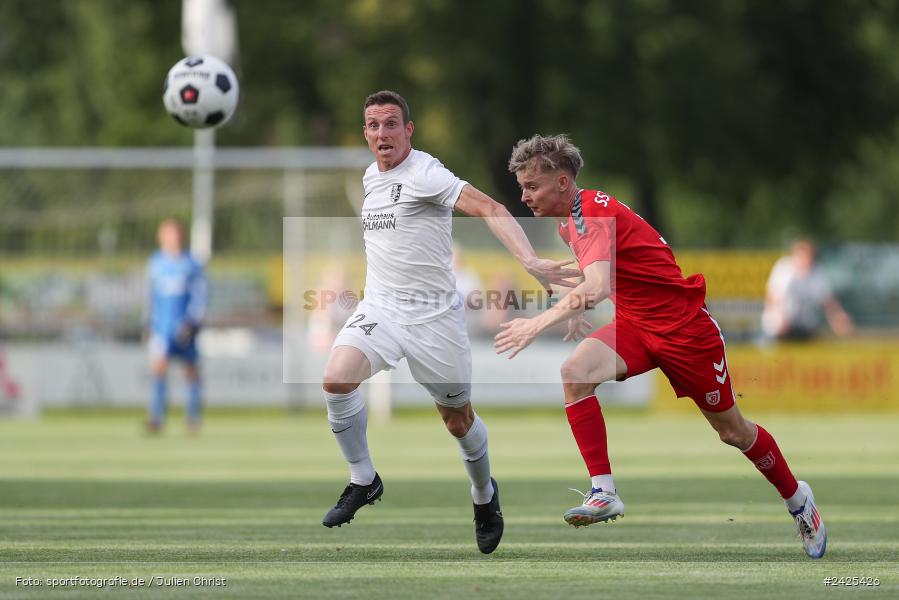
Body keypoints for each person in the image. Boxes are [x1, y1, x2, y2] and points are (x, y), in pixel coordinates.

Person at [495, 134, 826, 559]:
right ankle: (604, 491)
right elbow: (606, 275)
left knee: (732, 431)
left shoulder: (592, 212)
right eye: (522, 187)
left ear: (562, 182)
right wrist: (575, 302)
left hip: (686, 332)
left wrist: (536, 323)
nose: (524, 197)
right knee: (575, 374)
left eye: (532, 186)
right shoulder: (572, 219)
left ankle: (798, 500)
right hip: (636, 326)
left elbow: (597, 285)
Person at [319, 91, 578, 554]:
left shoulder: (425, 173)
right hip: (380, 309)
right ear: (365, 133)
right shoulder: (369, 179)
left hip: (434, 319)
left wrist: (531, 261)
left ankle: (484, 496)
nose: (382, 134)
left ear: (408, 131)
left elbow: (491, 209)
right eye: (374, 125)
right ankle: (364, 479)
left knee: (458, 421)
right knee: (336, 379)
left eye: (391, 124)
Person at [144, 218, 208, 434]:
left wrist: (193, 321)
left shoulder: (191, 263)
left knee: (190, 370)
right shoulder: (155, 263)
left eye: (175, 234)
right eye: (167, 234)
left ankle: (192, 418)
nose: (172, 238)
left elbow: (200, 295)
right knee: (158, 368)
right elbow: (150, 297)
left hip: (185, 326)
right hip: (162, 327)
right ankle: (156, 417)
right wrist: (148, 324)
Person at [761, 238, 854, 341]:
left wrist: (838, 318)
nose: (806, 261)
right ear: (794, 256)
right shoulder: (784, 268)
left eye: (808, 258)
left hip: (805, 326)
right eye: (803, 257)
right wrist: (780, 317)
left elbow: (827, 300)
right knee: (776, 330)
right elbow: (775, 297)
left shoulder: (816, 272)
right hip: (781, 326)